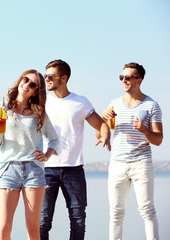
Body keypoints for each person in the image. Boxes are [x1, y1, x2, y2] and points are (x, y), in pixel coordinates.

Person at [40, 60, 111, 240]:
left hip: (74, 169)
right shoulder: (41, 101)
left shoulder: (80, 102)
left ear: (63, 78)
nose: (46, 79)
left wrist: (105, 135)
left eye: (51, 76)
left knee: (78, 219)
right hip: (45, 169)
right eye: (45, 75)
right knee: (43, 220)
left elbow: (101, 124)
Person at [0, 70, 59, 240]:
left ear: (36, 91)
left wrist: (46, 155)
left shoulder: (39, 113)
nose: (27, 84)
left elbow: (54, 139)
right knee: (3, 229)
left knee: (33, 229)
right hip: (8, 169)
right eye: (25, 79)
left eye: (32, 84)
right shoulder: (3, 106)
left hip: (33, 170)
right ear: (20, 80)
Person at [99, 62, 163, 240]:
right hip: (117, 163)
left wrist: (144, 130)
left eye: (128, 77)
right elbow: (103, 131)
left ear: (139, 81)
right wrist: (103, 124)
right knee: (116, 212)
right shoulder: (114, 104)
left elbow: (158, 139)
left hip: (141, 163)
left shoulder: (152, 106)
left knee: (147, 210)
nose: (124, 80)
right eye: (121, 77)